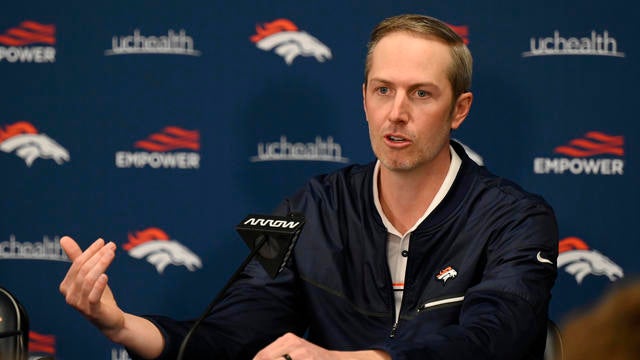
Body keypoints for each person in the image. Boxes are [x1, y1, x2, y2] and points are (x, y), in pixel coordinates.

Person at [59, 14, 558, 360]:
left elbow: (495, 342)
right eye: (383, 90)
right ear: (364, 98)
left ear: (460, 109)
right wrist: (121, 325)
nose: (397, 113)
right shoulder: (310, 206)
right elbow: (228, 334)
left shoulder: (517, 219)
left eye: (421, 94)